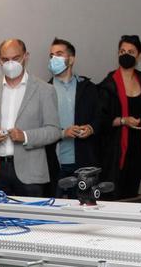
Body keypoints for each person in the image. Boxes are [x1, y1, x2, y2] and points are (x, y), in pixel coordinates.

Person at [0, 39, 61, 197]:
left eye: (15, 58)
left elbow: (54, 130)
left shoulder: (45, 90)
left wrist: (25, 136)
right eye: (5, 59)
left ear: (26, 57)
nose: (10, 64)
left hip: (30, 174)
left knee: (30, 220)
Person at [98, 35, 141, 199]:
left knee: (131, 196)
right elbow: (101, 120)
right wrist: (123, 120)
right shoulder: (109, 84)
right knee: (113, 197)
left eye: (131, 52)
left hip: (138, 150)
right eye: (122, 51)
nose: (125, 54)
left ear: (139, 56)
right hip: (115, 152)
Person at [44, 38, 104, 196]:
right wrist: (63, 132)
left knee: (84, 207)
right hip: (55, 163)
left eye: (59, 54)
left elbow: (100, 117)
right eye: (51, 56)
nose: (53, 59)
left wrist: (91, 128)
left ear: (71, 59)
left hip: (83, 163)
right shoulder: (44, 90)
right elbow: (40, 126)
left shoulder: (88, 88)